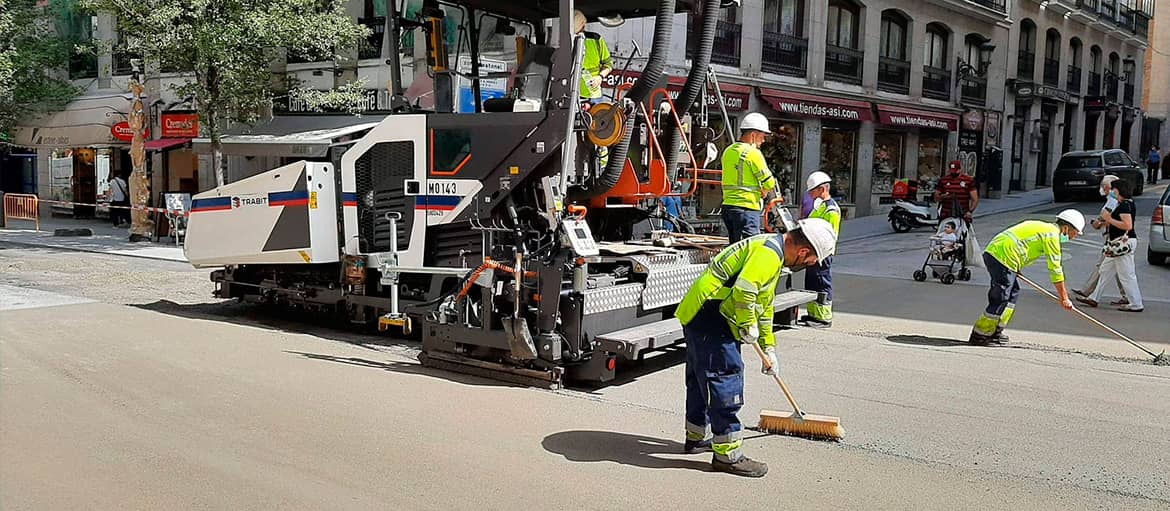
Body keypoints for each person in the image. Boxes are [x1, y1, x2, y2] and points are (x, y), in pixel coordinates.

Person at [676, 218, 837, 478]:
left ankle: (697, 437)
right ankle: (728, 456)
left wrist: (768, 347)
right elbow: (744, 291)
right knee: (724, 381)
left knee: (700, 380)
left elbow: (764, 304)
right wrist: (747, 324)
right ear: (804, 251)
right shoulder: (769, 254)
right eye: (811, 261)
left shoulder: (772, 249)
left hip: (701, 312)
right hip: (712, 317)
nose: (810, 266)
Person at [969, 210, 1085, 345]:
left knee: (1012, 293)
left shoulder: (1043, 227)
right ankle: (981, 334)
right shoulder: (1051, 235)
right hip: (1002, 256)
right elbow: (1056, 270)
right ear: (1066, 228)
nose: (1074, 237)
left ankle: (996, 330)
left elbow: (1022, 244)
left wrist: (1016, 268)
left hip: (998, 254)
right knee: (1001, 296)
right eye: (1075, 233)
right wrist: (1064, 298)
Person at [1077, 180, 1144, 312]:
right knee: (1104, 271)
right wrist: (1105, 221)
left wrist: (1108, 219)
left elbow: (1127, 225)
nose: (1111, 192)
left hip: (1122, 244)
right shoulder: (1125, 204)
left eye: (1113, 189)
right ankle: (1094, 298)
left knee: (1127, 275)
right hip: (1116, 245)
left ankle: (1136, 303)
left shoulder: (1124, 205)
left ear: (1119, 190)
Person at [721, 113, 778, 244]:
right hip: (747, 208)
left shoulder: (728, 151)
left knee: (735, 246)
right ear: (753, 135)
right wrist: (765, 190)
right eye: (762, 136)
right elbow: (769, 181)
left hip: (728, 207)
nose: (763, 141)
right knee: (750, 247)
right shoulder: (753, 154)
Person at [1073, 175, 1127, 305]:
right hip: (1114, 239)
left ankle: (1089, 292)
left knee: (1104, 266)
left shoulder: (1114, 201)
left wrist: (1100, 223)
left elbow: (1111, 219)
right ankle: (1126, 295)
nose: (1103, 189)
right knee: (1119, 269)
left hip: (1115, 240)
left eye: (1105, 186)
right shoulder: (1112, 200)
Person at [801, 171, 841, 328]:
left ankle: (824, 318)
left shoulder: (831, 210)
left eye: (813, 190)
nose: (810, 193)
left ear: (823, 189)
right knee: (811, 283)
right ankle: (813, 314)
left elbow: (831, 236)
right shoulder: (820, 206)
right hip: (813, 252)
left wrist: (819, 255)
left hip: (821, 254)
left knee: (821, 283)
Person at [574, 10, 613, 104]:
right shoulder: (567, 42)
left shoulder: (596, 40)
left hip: (593, 95)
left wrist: (599, 77)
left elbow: (608, 64)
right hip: (572, 95)